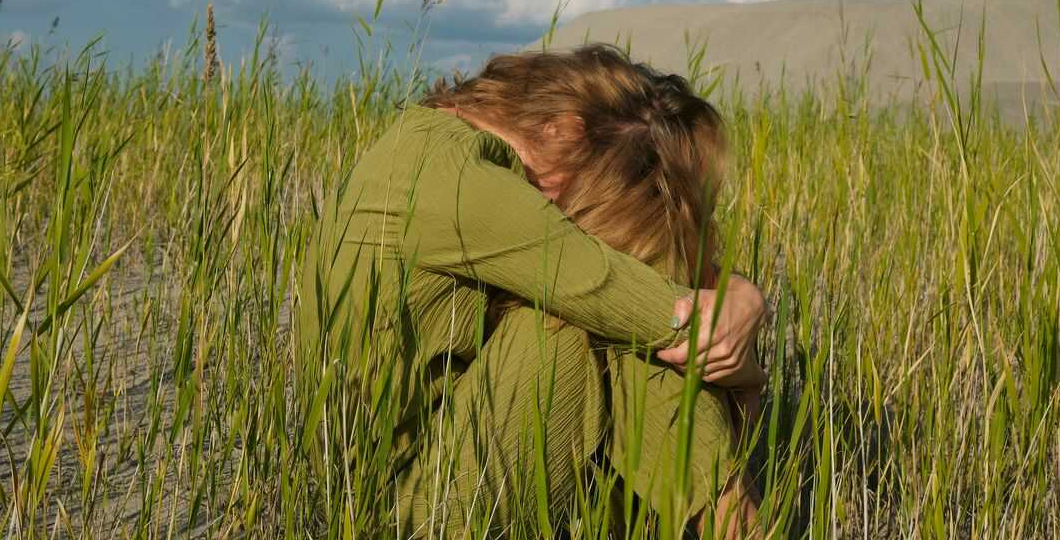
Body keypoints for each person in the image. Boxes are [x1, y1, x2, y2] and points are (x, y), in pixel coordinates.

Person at [300, 44, 768, 537]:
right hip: (401, 514)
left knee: (604, 313)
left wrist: (743, 296)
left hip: (429, 474)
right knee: (585, 320)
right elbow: (644, 302)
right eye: (580, 182)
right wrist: (747, 374)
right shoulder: (455, 183)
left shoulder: (430, 148)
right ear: (562, 128)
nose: (566, 208)